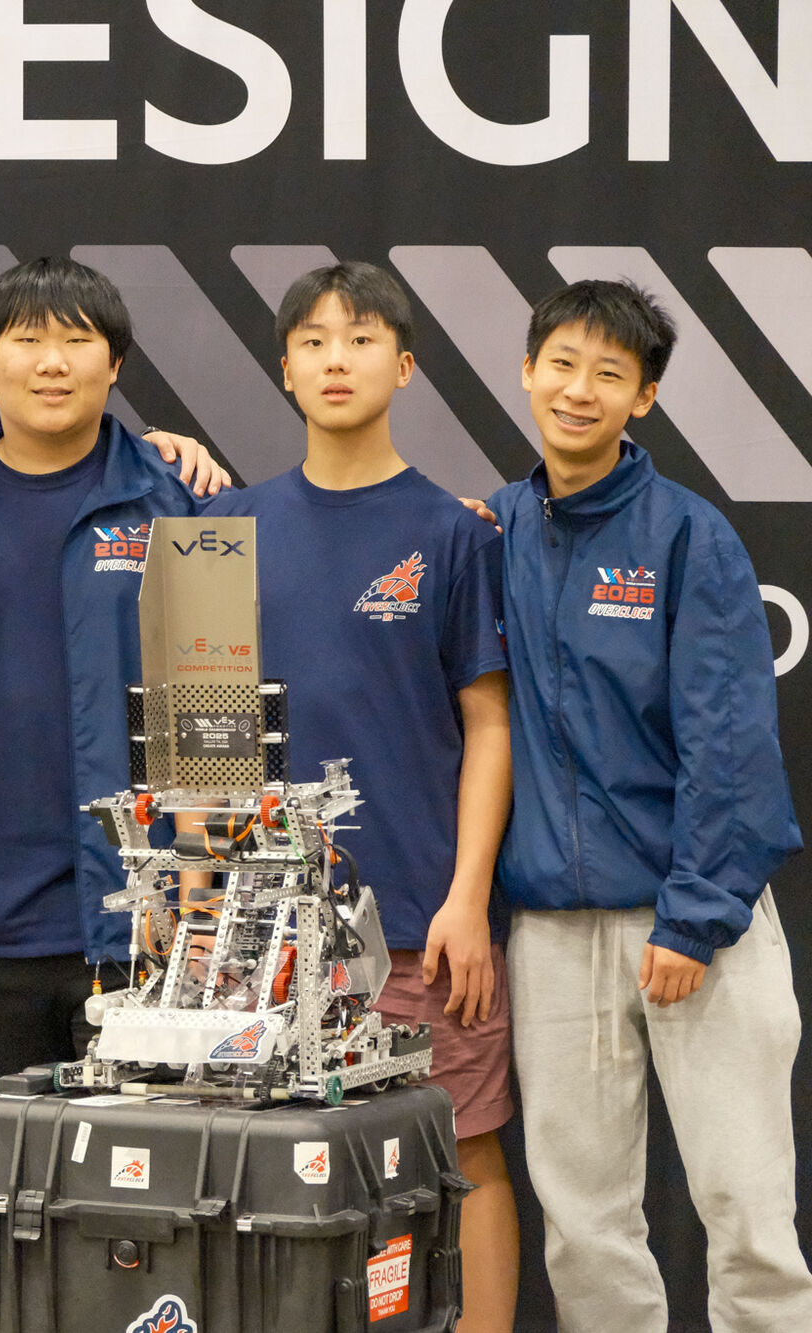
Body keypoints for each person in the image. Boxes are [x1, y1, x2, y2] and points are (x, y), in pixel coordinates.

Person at [490, 278, 812, 1332]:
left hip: (697, 924)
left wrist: (694, 913)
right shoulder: (489, 529)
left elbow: (731, 741)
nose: (577, 390)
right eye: (561, 364)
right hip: (553, 932)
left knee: (746, 1212)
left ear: (644, 396)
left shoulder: (688, 536)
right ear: (527, 370)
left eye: (608, 373)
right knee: (582, 1226)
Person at [203, 261, 517, 1331]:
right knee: (271, 1168)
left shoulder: (453, 531)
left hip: (422, 921)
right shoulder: (231, 527)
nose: (336, 359)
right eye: (314, 341)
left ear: (405, 365)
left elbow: (488, 725)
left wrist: (465, 899)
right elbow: (206, 733)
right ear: (284, 368)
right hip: (264, 935)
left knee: (462, 1149)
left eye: (361, 338)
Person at [0, 256, 229, 1190]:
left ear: (115, 364)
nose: (52, 361)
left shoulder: (181, 499)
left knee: (141, 1210)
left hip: (136, 929)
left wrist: (195, 900)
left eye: (78, 340)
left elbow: (217, 713)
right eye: (27, 339)